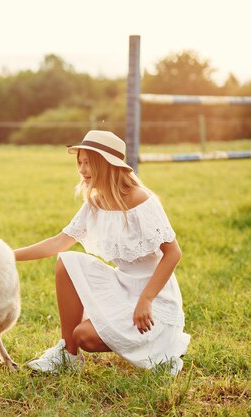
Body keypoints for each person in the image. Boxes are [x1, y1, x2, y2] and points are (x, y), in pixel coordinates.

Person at [14, 130, 190, 376]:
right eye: (80, 162)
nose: (83, 169)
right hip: (124, 286)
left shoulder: (142, 200)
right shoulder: (96, 203)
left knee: (84, 335)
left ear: (107, 165)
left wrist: (146, 299)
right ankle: (68, 355)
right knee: (66, 261)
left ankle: (160, 350)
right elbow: (59, 242)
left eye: (89, 163)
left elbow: (173, 253)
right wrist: (6, 255)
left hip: (154, 300)